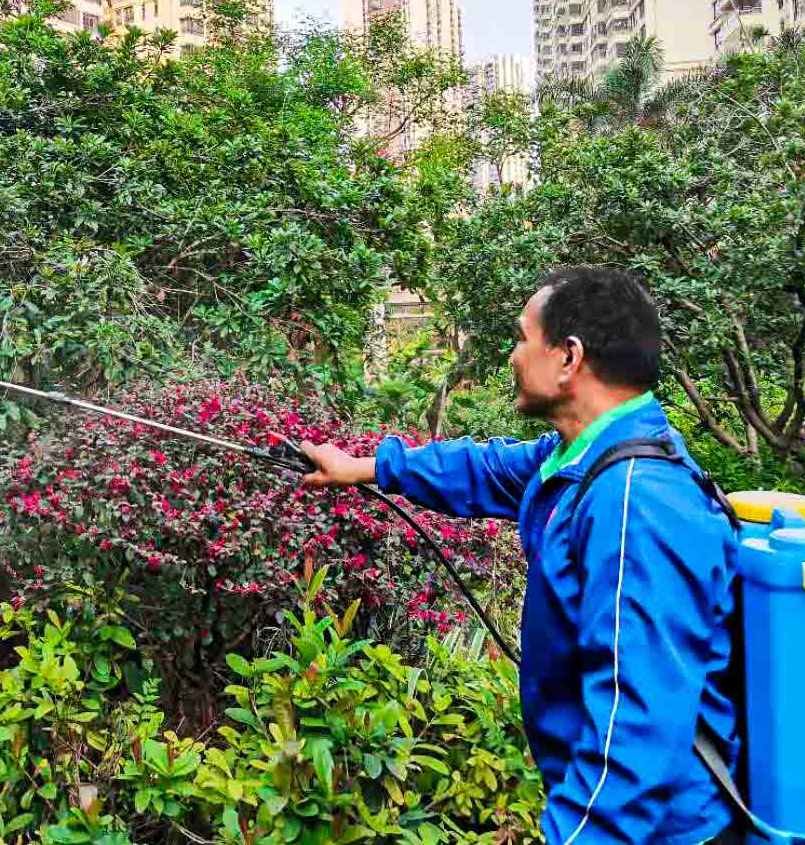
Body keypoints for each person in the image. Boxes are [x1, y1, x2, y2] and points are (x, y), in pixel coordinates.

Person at [300, 267, 740, 845]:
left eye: (522, 337)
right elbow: (486, 467)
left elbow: (633, 731)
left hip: (664, 831)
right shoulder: (585, 459)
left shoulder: (637, 505)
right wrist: (366, 468)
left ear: (568, 358)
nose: (512, 356)